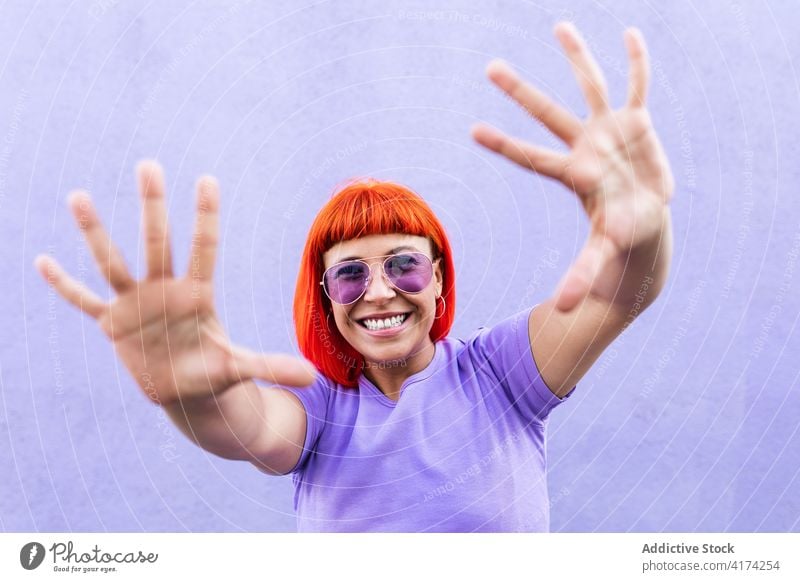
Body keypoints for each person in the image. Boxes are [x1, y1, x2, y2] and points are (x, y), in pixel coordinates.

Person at [34, 23, 673, 532]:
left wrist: (643, 232)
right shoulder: (320, 408)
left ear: (440, 280)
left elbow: (621, 295)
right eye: (348, 274)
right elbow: (251, 427)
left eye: (404, 264)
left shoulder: (501, 374)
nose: (379, 290)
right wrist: (189, 394)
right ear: (325, 298)